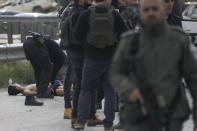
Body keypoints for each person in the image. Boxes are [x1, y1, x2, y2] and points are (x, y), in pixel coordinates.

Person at [110, 0, 197, 130]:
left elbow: (193, 78)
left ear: (163, 11)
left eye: (155, 9)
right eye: (146, 9)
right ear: (140, 12)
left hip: (171, 113)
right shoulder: (129, 42)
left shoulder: (179, 40)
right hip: (137, 113)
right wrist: (128, 89)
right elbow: (115, 72)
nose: (151, 13)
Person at [73, 0, 127, 130]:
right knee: (110, 91)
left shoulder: (85, 14)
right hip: (110, 58)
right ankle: (108, 125)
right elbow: (125, 33)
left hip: (91, 58)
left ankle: (80, 121)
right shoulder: (114, 14)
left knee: (86, 90)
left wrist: (88, 43)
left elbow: (77, 36)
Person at [23, 32, 66, 98]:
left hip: (26, 44)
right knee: (48, 68)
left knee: (37, 69)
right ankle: (42, 93)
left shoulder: (57, 52)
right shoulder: (61, 58)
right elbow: (53, 73)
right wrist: (52, 84)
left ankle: (40, 90)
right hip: (36, 45)